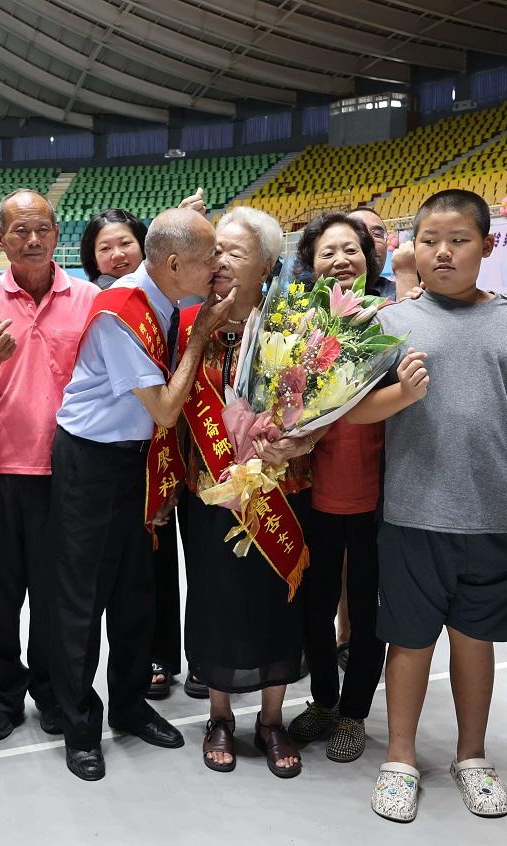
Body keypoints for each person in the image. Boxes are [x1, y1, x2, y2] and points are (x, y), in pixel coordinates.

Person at [348, 189, 507, 824]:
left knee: (476, 640)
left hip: (499, 515)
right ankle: (401, 759)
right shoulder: (393, 321)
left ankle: (471, 757)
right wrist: (399, 396)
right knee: (408, 642)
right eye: (429, 239)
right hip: (414, 512)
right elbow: (355, 410)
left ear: (488, 246)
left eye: (459, 239)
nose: (442, 252)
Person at [49, 208, 235, 782]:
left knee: (137, 594)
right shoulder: (121, 312)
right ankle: (80, 724)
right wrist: (202, 334)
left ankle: (130, 705)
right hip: (93, 461)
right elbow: (164, 408)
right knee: (83, 599)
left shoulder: (163, 296)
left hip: (139, 461)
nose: (218, 267)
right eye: (209, 259)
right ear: (176, 264)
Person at [0, 189, 98, 741]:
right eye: (19, 231)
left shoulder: (88, 299)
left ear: (58, 233)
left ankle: (52, 691)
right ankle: (3, 694)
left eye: (42, 228)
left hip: (69, 468)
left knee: (57, 593)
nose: (33, 240)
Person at [180, 206, 317, 778]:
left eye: (233, 253)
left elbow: (318, 408)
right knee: (215, 598)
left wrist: (299, 441)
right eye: (214, 253)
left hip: (279, 490)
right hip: (210, 489)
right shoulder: (189, 321)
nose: (219, 263)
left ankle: (270, 719)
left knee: (276, 604)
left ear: (266, 264)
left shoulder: (295, 326)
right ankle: (218, 716)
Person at [79, 206, 194, 701]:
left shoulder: (176, 300)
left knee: (159, 564)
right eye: (104, 247)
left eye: (125, 242)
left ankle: (163, 656)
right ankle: (121, 675)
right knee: (115, 575)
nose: (116, 253)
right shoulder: (111, 306)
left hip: (172, 449)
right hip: (118, 449)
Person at [287, 211, 388, 767]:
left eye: (350, 250)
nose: (340, 261)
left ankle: (354, 711)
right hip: (313, 491)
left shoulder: (391, 321)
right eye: (327, 253)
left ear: (369, 259)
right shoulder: (298, 325)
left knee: (369, 613)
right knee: (315, 604)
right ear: (311, 263)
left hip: (378, 495)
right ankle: (324, 699)